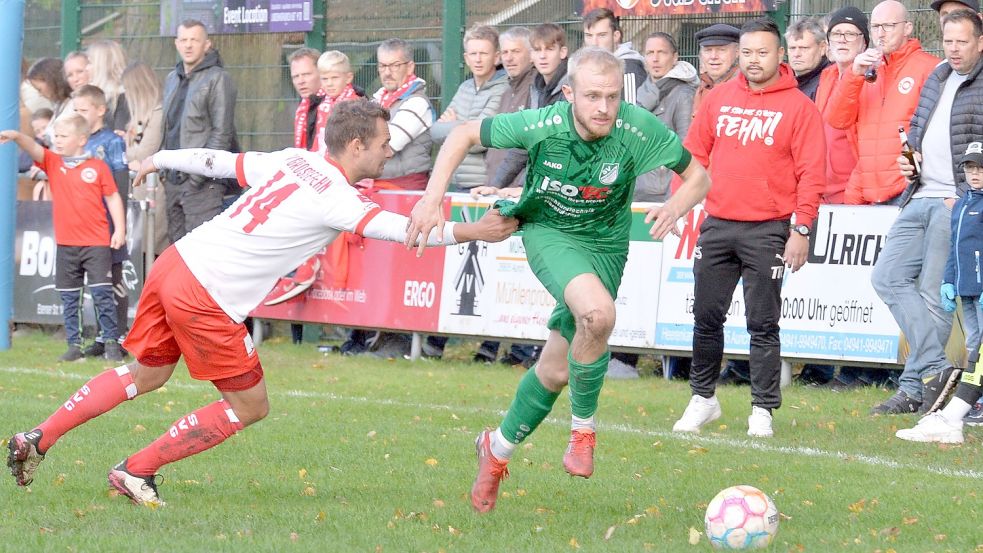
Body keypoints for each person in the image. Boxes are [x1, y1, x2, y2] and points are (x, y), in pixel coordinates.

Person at [5, 98, 518, 506]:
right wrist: (477, 230)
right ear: (357, 145)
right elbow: (402, 231)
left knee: (146, 375)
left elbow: (216, 162)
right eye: (384, 144)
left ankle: (39, 436)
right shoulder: (337, 196)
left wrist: (157, 159)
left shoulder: (296, 160)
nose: (389, 152)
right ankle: (136, 469)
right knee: (250, 406)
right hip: (206, 293)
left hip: (176, 263)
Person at [405, 47, 712, 513]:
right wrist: (431, 199)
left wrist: (675, 205)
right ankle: (583, 432)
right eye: (592, 96)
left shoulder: (635, 126)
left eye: (612, 97)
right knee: (598, 314)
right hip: (550, 231)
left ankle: (496, 450)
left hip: (607, 245)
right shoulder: (541, 124)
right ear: (568, 93)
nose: (604, 108)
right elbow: (464, 133)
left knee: (554, 369)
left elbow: (698, 177)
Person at [671, 18, 825, 439]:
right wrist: (679, 204)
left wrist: (802, 229)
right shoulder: (719, 98)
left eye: (763, 53)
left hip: (769, 229)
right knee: (705, 318)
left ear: (780, 55)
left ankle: (762, 409)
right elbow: (692, 153)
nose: (754, 61)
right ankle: (703, 398)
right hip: (718, 224)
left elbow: (813, 174)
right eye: (748, 53)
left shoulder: (799, 108)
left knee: (763, 324)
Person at [869, 8, 983, 415]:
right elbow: (916, 128)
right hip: (917, 196)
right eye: (948, 41)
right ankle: (935, 369)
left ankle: (914, 389)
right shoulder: (937, 76)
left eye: (961, 41)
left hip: (954, 203)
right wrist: (909, 158)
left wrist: (966, 196)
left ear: (980, 42)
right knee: (886, 277)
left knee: (935, 300)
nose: (953, 49)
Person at [0, 115, 126, 363]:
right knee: (70, 297)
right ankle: (74, 346)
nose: (57, 141)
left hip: (96, 243)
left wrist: (119, 230)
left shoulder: (98, 167)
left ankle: (111, 342)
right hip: (66, 244)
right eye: (56, 136)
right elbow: (34, 148)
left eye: (63, 136)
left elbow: (113, 198)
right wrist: (15, 136)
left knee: (102, 294)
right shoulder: (54, 163)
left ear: (81, 140)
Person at [895, 141, 983, 443]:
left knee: (980, 350)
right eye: (971, 168)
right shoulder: (962, 203)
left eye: (980, 168)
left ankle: (954, 416)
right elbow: (955, 250)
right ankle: (960, 413)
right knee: (976, 346)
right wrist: (949, 280)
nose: (975, 174)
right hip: (968, 288)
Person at [824, 0, 939, 205]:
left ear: (908, 28)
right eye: (876, 27)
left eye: (888, 26)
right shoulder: (867, 71)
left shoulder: (929, 67)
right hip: (869, 189)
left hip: (911, 188)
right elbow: (837, 120)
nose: (881, 33)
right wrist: (853, 74)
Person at [161, 19, 239, 242]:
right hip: (173, 180)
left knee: (203, 251)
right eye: (183, 40)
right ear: (176, 44)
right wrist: (164, 173)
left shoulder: (218, 78)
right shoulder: (171, 79)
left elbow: (221, 134)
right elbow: (167, 127)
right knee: (177, 252)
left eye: (194, 40)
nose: (188, 45)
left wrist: (197, 177)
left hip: (202, 183)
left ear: (207, 44)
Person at [72, 84, 130, 352]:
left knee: (113, 278)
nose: (78, 114)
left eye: (83, 109)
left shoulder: (112, 142)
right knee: (94, 280)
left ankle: (119, 336)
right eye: (75, 109)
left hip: (107, 223)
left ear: (100, 110)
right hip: (85, 225)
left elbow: (120, 184)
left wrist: (119, 224)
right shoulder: (77, 142)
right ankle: (100, 336)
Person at [430, 25, 508, 190]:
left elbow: (481, 140)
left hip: (487, 185)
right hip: (459, 183)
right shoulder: (464, 88)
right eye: (473, 54)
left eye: (484, 54)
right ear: (466, 58)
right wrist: (466, 128)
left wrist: (455, 125)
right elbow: (435, 132)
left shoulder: (504, 89)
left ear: (496, 57)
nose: (478, 59)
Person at [373, 38, 435, 190]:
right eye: (382, 66)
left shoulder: (417, 102)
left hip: (405, 189)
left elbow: (388, 146)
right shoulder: (377, 99)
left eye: (395, 66)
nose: (387, 72)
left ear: (410, 67)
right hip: (379, 186)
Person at [122, 61, 168, 257]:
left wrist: (124, 145)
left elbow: (143, 153)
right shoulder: (139, 116)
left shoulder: (158, 114)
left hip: (153, 190)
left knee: (150, 249)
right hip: (137, 190)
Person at [582, 7, 647, 104]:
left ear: (616, 36)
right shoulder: (583, 68)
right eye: (589, 36)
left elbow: (632, 114)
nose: (594, 43)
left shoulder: (629, 68)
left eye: (602, 35)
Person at [691, 24, 740, 118]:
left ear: (737, 52)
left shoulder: (745, 88)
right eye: (708, 50)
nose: (713, 56)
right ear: (700, 54)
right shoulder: (701, 87)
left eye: (721, 50)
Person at [26, 58, 74, 144]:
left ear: (50, 81)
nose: (40, 94)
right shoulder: (60, 105)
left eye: (39, 89)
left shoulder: (74, 106)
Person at [85, 40, 129, 132]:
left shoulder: (121, 98)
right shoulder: (88, 94)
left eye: (90, 63)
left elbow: (119, 136)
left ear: (102, 66)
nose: (86, 68)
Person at [786, 17, 830, 101]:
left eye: (804, 48)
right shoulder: (782, 80)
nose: (796, 54)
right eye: (792, 48)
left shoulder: (828, 83)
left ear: (822, 48)